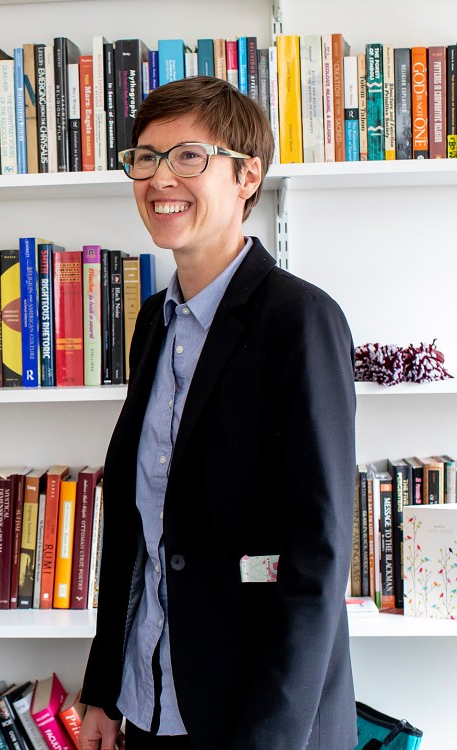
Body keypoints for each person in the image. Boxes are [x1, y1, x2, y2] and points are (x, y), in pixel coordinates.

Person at [79, 76, 357, 749]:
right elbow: (135, 534)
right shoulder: (154, 322)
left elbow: (317, 555)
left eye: (188, 156)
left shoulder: (299, 319)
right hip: (149, 702)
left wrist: (270, 738)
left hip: (253, 718)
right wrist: (104, 688)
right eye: (144, 157)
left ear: (246, 177)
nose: (159, 177)